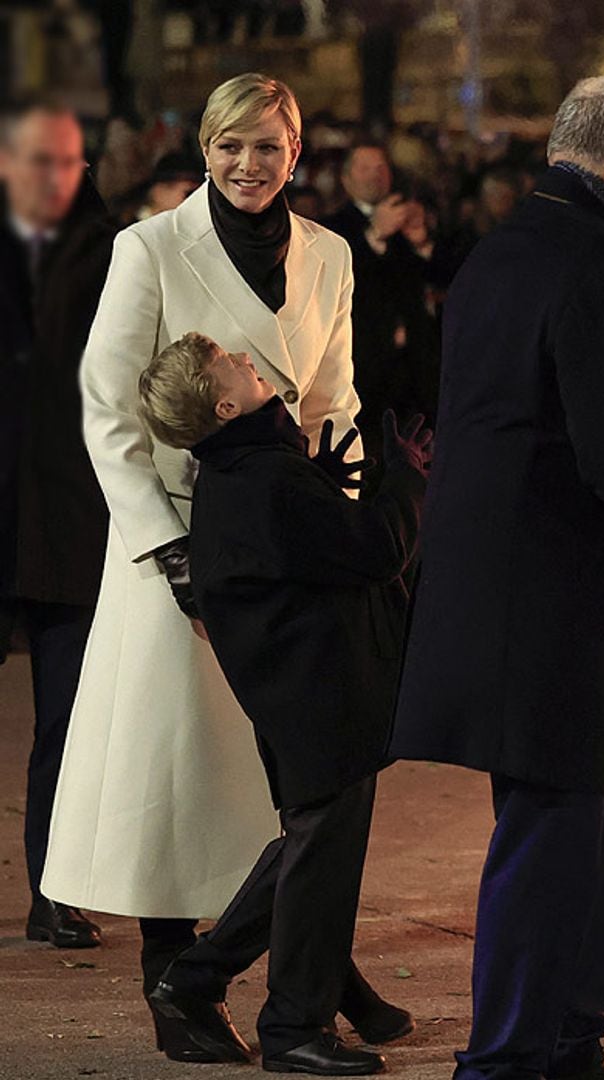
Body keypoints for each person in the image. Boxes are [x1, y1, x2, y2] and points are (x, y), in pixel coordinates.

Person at [40, 72, 399, 1060]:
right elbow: (110, 410)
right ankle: (176, 986)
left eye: (269, 148)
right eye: (232, 146)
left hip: (289, 541)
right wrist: (168, 551)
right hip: (176, 546)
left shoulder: (328, 253)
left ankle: (295, 988)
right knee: (182, 777)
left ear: (297, 155)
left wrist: (349, 517)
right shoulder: (149, 248)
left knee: (287, 781)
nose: (249, 165)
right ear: (205, 148)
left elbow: (338, 400)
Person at [389, 69, 604, 1080]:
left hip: (504, 584)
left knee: (572, 828)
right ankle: (505, 1061)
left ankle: (569, 1047)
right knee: (550, 834)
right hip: (556, 596)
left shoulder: (502, 250)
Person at [134, 333, 429, 1075]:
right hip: (318, 690)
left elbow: (304, 546)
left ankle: (295, 990)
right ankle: (286, 1020)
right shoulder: (264, 478)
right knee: (316, 847)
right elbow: (377, 548)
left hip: (304, 688)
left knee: (315, 842)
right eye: (229, 363)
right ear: (226, 403)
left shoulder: (249, 471)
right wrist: (408, 478)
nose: (244, 355)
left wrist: (319, 483)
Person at [1, 99, 113, 951]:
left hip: (74, 520)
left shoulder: (114, 250)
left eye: (70, 161)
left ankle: (55, 890)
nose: (56, 177)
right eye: (41, 160)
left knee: (69, 722)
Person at [320, 139, 439, 427]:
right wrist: (374, 236)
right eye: (365, 168)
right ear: (346, 179)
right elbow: (339, 282)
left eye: (381, 167)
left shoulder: (408, 222)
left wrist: (421, 241)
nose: (375, 174)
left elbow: (438, 278)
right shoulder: (332, 228)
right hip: (364, 365)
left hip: (414, 368)